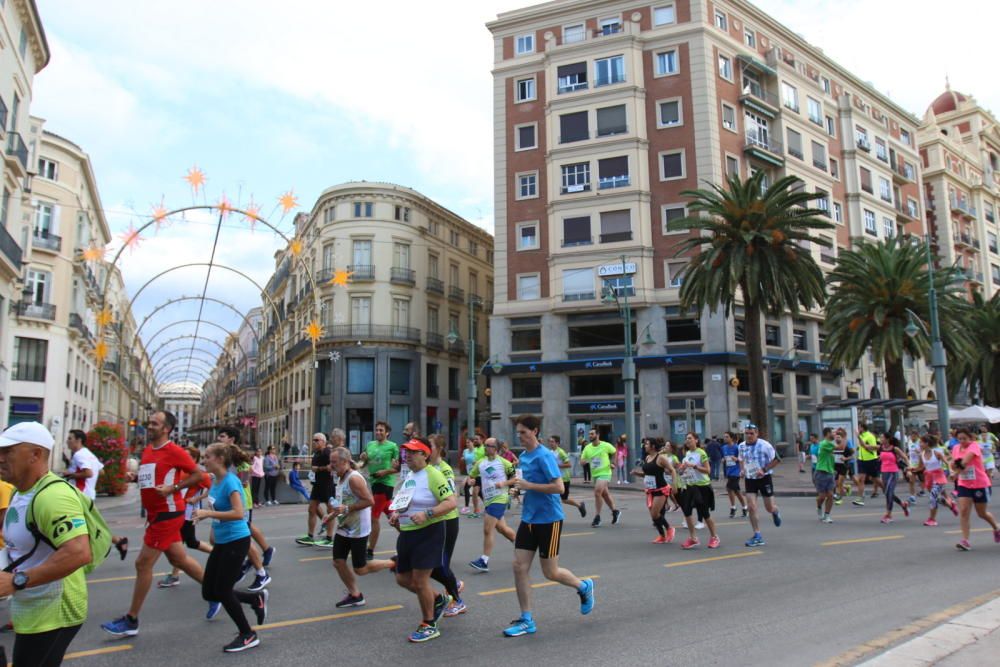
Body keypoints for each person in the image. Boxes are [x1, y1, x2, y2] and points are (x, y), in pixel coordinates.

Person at [102, 411, 206, 638]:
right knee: (179, 559)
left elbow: (199, 475)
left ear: (166, 428)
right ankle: (220, 593)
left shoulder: (175, 451)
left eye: (154, 424)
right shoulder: (149, 450)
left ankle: (132, 619)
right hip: (155, 513)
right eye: (149, 423)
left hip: (168, 513)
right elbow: (151, 477)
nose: (149, 426)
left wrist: (173, 488)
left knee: (142, 564)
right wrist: (136, 478)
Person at [0, 422, 94, 666]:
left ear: (36, 455)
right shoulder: (18, 492)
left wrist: (17, 580)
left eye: (7, 452)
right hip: (32, 607)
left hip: (54, 611)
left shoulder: (53, 496)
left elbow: (79, 553)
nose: (0, 458)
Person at [503, 415, 594, 638]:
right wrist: (517, 491)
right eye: (518, 433)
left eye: (524, 432)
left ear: (535, 431)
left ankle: (583, 587)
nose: (520, 436)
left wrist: (529, 485)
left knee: (550, 572)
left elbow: (559, 488)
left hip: (549, 519)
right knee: (518, 566)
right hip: (529, 518)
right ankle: (527, 619)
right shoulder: (523, 457)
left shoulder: (545, 456)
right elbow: (523, 485)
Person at [193, 443, 268, 652]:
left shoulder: (231, 481)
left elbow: (238, 513)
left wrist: (208, 514)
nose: (203, 460)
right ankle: (255, 598)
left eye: (207, 456)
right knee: (209, 591)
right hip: (223, 541)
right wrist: (212, 528)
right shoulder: (215, 481)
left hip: (237, 540)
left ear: (219, 459)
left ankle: (248, 634)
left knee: (224, 591)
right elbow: (216, 506)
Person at [387, 438, 456, 642]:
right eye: (406, 452)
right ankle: (438, 599)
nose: (407, 455)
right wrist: (397, 514)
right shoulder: (410, 475)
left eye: (412, 452)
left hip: (429, 532)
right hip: (408, 532)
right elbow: (405, 502)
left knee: (420, 580)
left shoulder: (433, 475)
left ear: (424, 455)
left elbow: (451, 502)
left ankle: (429, 624)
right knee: (402, 578)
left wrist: (428, 514)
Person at [327, 447, 393, 608]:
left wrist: (347, 509)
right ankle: (355, 595)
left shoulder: (354, 478)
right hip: (345, 526)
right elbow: (344, 502)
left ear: (344, 462)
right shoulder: (341, 477)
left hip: (358, 530)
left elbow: (369, 501)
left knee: (361, 568)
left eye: (334, 462)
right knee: (338, 561)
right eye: (331, 462)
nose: (331, 465)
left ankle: (393, 563)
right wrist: (331, 515)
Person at [158, 446, 213, 592]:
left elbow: (211, 488)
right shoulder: (180, 470)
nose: (184, 458)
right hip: (179, 510)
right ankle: (175, 575)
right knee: (185, 542)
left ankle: (175, 576)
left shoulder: (200, 474)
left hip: (188, 512)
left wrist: (197, 498)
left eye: (188, 456)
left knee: (185, 542)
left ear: (194, 459)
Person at [426, 435, 466, 616]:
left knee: (440, 565)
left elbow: (452, 499)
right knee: (433, 565)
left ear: (440, 449)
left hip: (447, 521)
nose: (427, 449)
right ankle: (454, 583)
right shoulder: (426, 468)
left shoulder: (445, 469)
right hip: (433, 521)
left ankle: (458, 601)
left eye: (431, 446)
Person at [468, 438, 516, 573]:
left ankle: (484, 560)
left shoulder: (504, 463)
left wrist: (504, 484)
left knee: (488, 529)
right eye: (485, 445)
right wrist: (471, 480)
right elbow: (471, 476)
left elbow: (515, 477)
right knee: (502, 529)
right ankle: (521, 546)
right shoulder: (480, 463)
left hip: (500, 498)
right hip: (488, 499)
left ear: (496, 448)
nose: (486, 447)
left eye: (489, 446)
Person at [949, 427, 1000, 551]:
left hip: (979, 483)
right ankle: (965, 540)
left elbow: (965, 461)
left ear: (970, 438)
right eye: (959, 439)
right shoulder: (956, 448)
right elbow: (952, 462)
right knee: (964, 511)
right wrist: (952, 470)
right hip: (964, 484)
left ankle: (996, 528)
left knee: (981, 513)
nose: (962, 441)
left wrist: (955, 473)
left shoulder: (974, 446)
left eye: (964, 438)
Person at [358, 421, 400, 560]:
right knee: (390, 514)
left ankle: (369, 551)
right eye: (376, 430)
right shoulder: (370, 445)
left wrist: (385, 472)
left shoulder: (392, 446)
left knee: (373, 517)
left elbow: (398, 468)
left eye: (381, 430)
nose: (378, 432)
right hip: (374, 483)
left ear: (387, 432)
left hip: (385, 483)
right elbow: (364, 463)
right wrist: (362, 460)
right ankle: (410, 536)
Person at [738, 424, 782, 548]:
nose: (749, 435)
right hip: (750, 479)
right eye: (746, 433)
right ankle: (757, 535)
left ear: (757, 433)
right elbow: (741, 459)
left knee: (769, 508)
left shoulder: (765, 445)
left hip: (764, 478)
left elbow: (777, 459)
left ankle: (775, 511)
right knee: (751, 507)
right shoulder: (741, 446)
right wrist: (742, 470)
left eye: (751, 433)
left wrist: (764, 469)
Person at [676, 432, 720, 549]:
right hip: (690, 485)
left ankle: (714, 537)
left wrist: (694, 466)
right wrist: (681, 470)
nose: (688, 440)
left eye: (690, 438)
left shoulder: (701, 453)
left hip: (702, 486)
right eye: (686, 439)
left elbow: (708, 470)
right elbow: (683, 472)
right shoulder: (687, 454)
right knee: (687, 512)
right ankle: (693, 538)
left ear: (696, 440)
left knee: (705, 513)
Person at [295, 433, 335, 547]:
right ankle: (310, 536)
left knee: (330, 510)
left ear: (323, 441)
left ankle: (329, 538)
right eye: (313, 440)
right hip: (317, 484)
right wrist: (316, 469)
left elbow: (331, 466)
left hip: (327, 484)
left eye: (317, 440)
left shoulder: (327, 452)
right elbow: (314, 468)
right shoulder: (316, 453)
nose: (314, 442)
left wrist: (319, 468)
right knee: (312, 509)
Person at [633, 437, 675, 543]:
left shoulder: (660, 458)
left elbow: (672, 470)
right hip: (650, 490)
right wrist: (637, 473)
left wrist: (674, 485)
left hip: (661, 489)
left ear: (652, 446)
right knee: (654, 515)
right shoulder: (647, 458)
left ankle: (669, 529)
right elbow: (647, 474)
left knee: (655, 514)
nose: (645, 446)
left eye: (647, 444)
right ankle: (662, 535)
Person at [911, 434, 958, 526]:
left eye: (921, 442)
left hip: (938, 477)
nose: (919, 444)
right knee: (937, 497)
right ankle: (951, 505)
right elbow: (920, 467)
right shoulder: (922, 455)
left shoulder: (936, 453)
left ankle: (932, 519)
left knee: (933, 497)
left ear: (927, 443)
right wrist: (912, 469)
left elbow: (947, 463)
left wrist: (951, 471)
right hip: (929, 477)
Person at [581, 429, 621, 528]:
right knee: (605, 494)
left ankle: (597, 517)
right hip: (595, 474)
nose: (590, 436)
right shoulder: (587, 448)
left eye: (592, 434)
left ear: (597, 435)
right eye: (589, 434)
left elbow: (615, 452)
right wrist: (583, 462)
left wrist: (613, 463)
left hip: (605, 472)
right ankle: (615, 511)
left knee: (597, 492)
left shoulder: (606, 445)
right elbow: (582, 459)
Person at [546, 435, 586, 518]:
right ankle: (554, 515)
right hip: (555, 478)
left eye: (552, 441)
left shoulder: (561, 452)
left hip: (564, 478)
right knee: (553, 497)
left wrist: (557, 466)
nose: (550, 443)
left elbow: (569, 464)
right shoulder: (550, 452)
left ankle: (579, 505)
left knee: (564, 499)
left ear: (557, 443)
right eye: (549, 441)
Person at [62, 428, 103, 499]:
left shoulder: (79, 455)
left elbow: (89, 473)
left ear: (79, 440)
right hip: (89, 494)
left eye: (70, 439)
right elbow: (101, 471)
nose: (67, 441)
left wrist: (71, 475)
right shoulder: (89, 454)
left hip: (80, 493)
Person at [878, 434, 910, 524]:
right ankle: (903, 504)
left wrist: (909, 468)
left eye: (882, 437)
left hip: (893, 472)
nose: (880, 439)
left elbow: (905, 457)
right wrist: (858, 437)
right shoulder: (881, 447)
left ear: (887, 439)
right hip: (884, 473)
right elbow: (866, 447)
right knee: (888, 493)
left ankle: (889, 515)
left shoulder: (894, 449)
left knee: (889, 492)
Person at [853, 423, 883, 506]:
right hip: (861, 460)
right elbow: (861, 447)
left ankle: (887, 491)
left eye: (859, 427)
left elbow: (868, 447)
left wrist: (858, 436)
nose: (858, 429)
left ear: (862, 427)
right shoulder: (862, 436)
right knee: (861, 479)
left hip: (871, 460)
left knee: (876, 479)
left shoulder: (870, 436)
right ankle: (860, 498)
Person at [720, 432, 747, 518]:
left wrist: (736, 459)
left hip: (736, 471)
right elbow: (724, 457)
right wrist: (723, 459)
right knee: (736, 491)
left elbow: (742, 459)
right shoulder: (723, 447)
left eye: (727, 437)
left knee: (729, 488)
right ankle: (744, 507)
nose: (725, 438)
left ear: (732, 438)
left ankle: (733, 507)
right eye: (724, 437)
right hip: (729, 471)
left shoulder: (737, 447)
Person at [814, 428, 836, 523]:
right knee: (822, 496)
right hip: (821, 472)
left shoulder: (829, 443)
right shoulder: (825, 443)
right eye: (832, 432)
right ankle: (819, 506)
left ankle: (827, 516)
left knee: (830, 495)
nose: (834, 434)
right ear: (827, 434)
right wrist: (843, 436)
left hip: (830, 472)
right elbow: (841, 446)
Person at [460, 438, 481, 516]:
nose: (467, 444)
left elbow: (481, 459)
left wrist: (476, 462)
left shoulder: (477, 451)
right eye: (466, 442)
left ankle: (467, 507)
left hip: (477, 473)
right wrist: (463, 459)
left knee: (470, 489)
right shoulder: (465, 451)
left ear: (473, 443)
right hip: (470, 473)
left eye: (469, 442)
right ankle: (487, 507)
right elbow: (464, 458)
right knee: (477, 491)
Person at [905, 430, 924, 503]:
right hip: (912, 464)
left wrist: (919, 452)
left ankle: (923, 491)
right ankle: (912, 497)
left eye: (914, 436)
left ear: (917, 436)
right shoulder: (909, 442)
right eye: (911, 436)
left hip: (920, 464)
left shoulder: (920, 442)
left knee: (922, 479)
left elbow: (924, 451)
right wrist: (907, 454)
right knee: (911, 481)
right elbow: (909, 450)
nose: (912, 437)